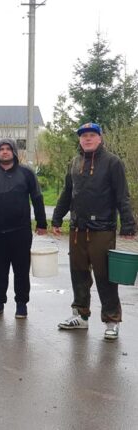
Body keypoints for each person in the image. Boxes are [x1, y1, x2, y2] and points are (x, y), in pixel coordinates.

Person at [53, 122, 136, 340]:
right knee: (78, 274)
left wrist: (128, 223)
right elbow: (66, 193)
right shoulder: (74, 162)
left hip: (102, 229)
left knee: (105, 276)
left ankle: (111, 320)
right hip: (77, 230)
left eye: (91, 135)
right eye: (83, 136)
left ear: (100, 138)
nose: (87, 139)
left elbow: (122, 195)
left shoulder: (112, 162)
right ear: (79, 140)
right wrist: (56, 218)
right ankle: (80, 316)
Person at [0, 138, 47, 319]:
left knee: (21, 270)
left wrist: (42, 223)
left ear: (14, 152)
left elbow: (37, 198)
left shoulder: (26, 174)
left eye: (8, 149)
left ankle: (21, 304)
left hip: (21, 231)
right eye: (1, 149)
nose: (4, 152)